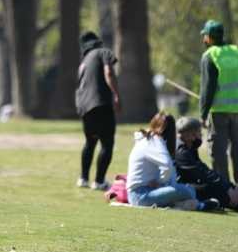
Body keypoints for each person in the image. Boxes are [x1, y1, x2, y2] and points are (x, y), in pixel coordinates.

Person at [199, 19, 238, 200]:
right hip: (237, 109)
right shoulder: (237, 53)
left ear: (210, 37)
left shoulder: (210, 56)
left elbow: (208, 88)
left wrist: (203, 114)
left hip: (219, 111)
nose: (203, 38)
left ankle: (224, 191)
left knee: (218, 152)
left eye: (205, 35)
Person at [127, 112, 218, 211]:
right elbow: (167, 166)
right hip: (141, 195)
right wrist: (160, 183)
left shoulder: (150, 140)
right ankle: (199, 206)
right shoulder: (154, 141)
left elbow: (169, 170)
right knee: (188, 191)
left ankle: (183, 204)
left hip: (143, 192)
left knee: (186, 188)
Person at [74, 31, 121, 190]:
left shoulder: (84, 62)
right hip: (101, 103)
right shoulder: (103, 52)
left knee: (90, 141)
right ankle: (99, 181)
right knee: (107, 143)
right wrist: (116, 94)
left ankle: (83, 178)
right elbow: (108, 72)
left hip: (84, 106)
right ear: (98, 43)